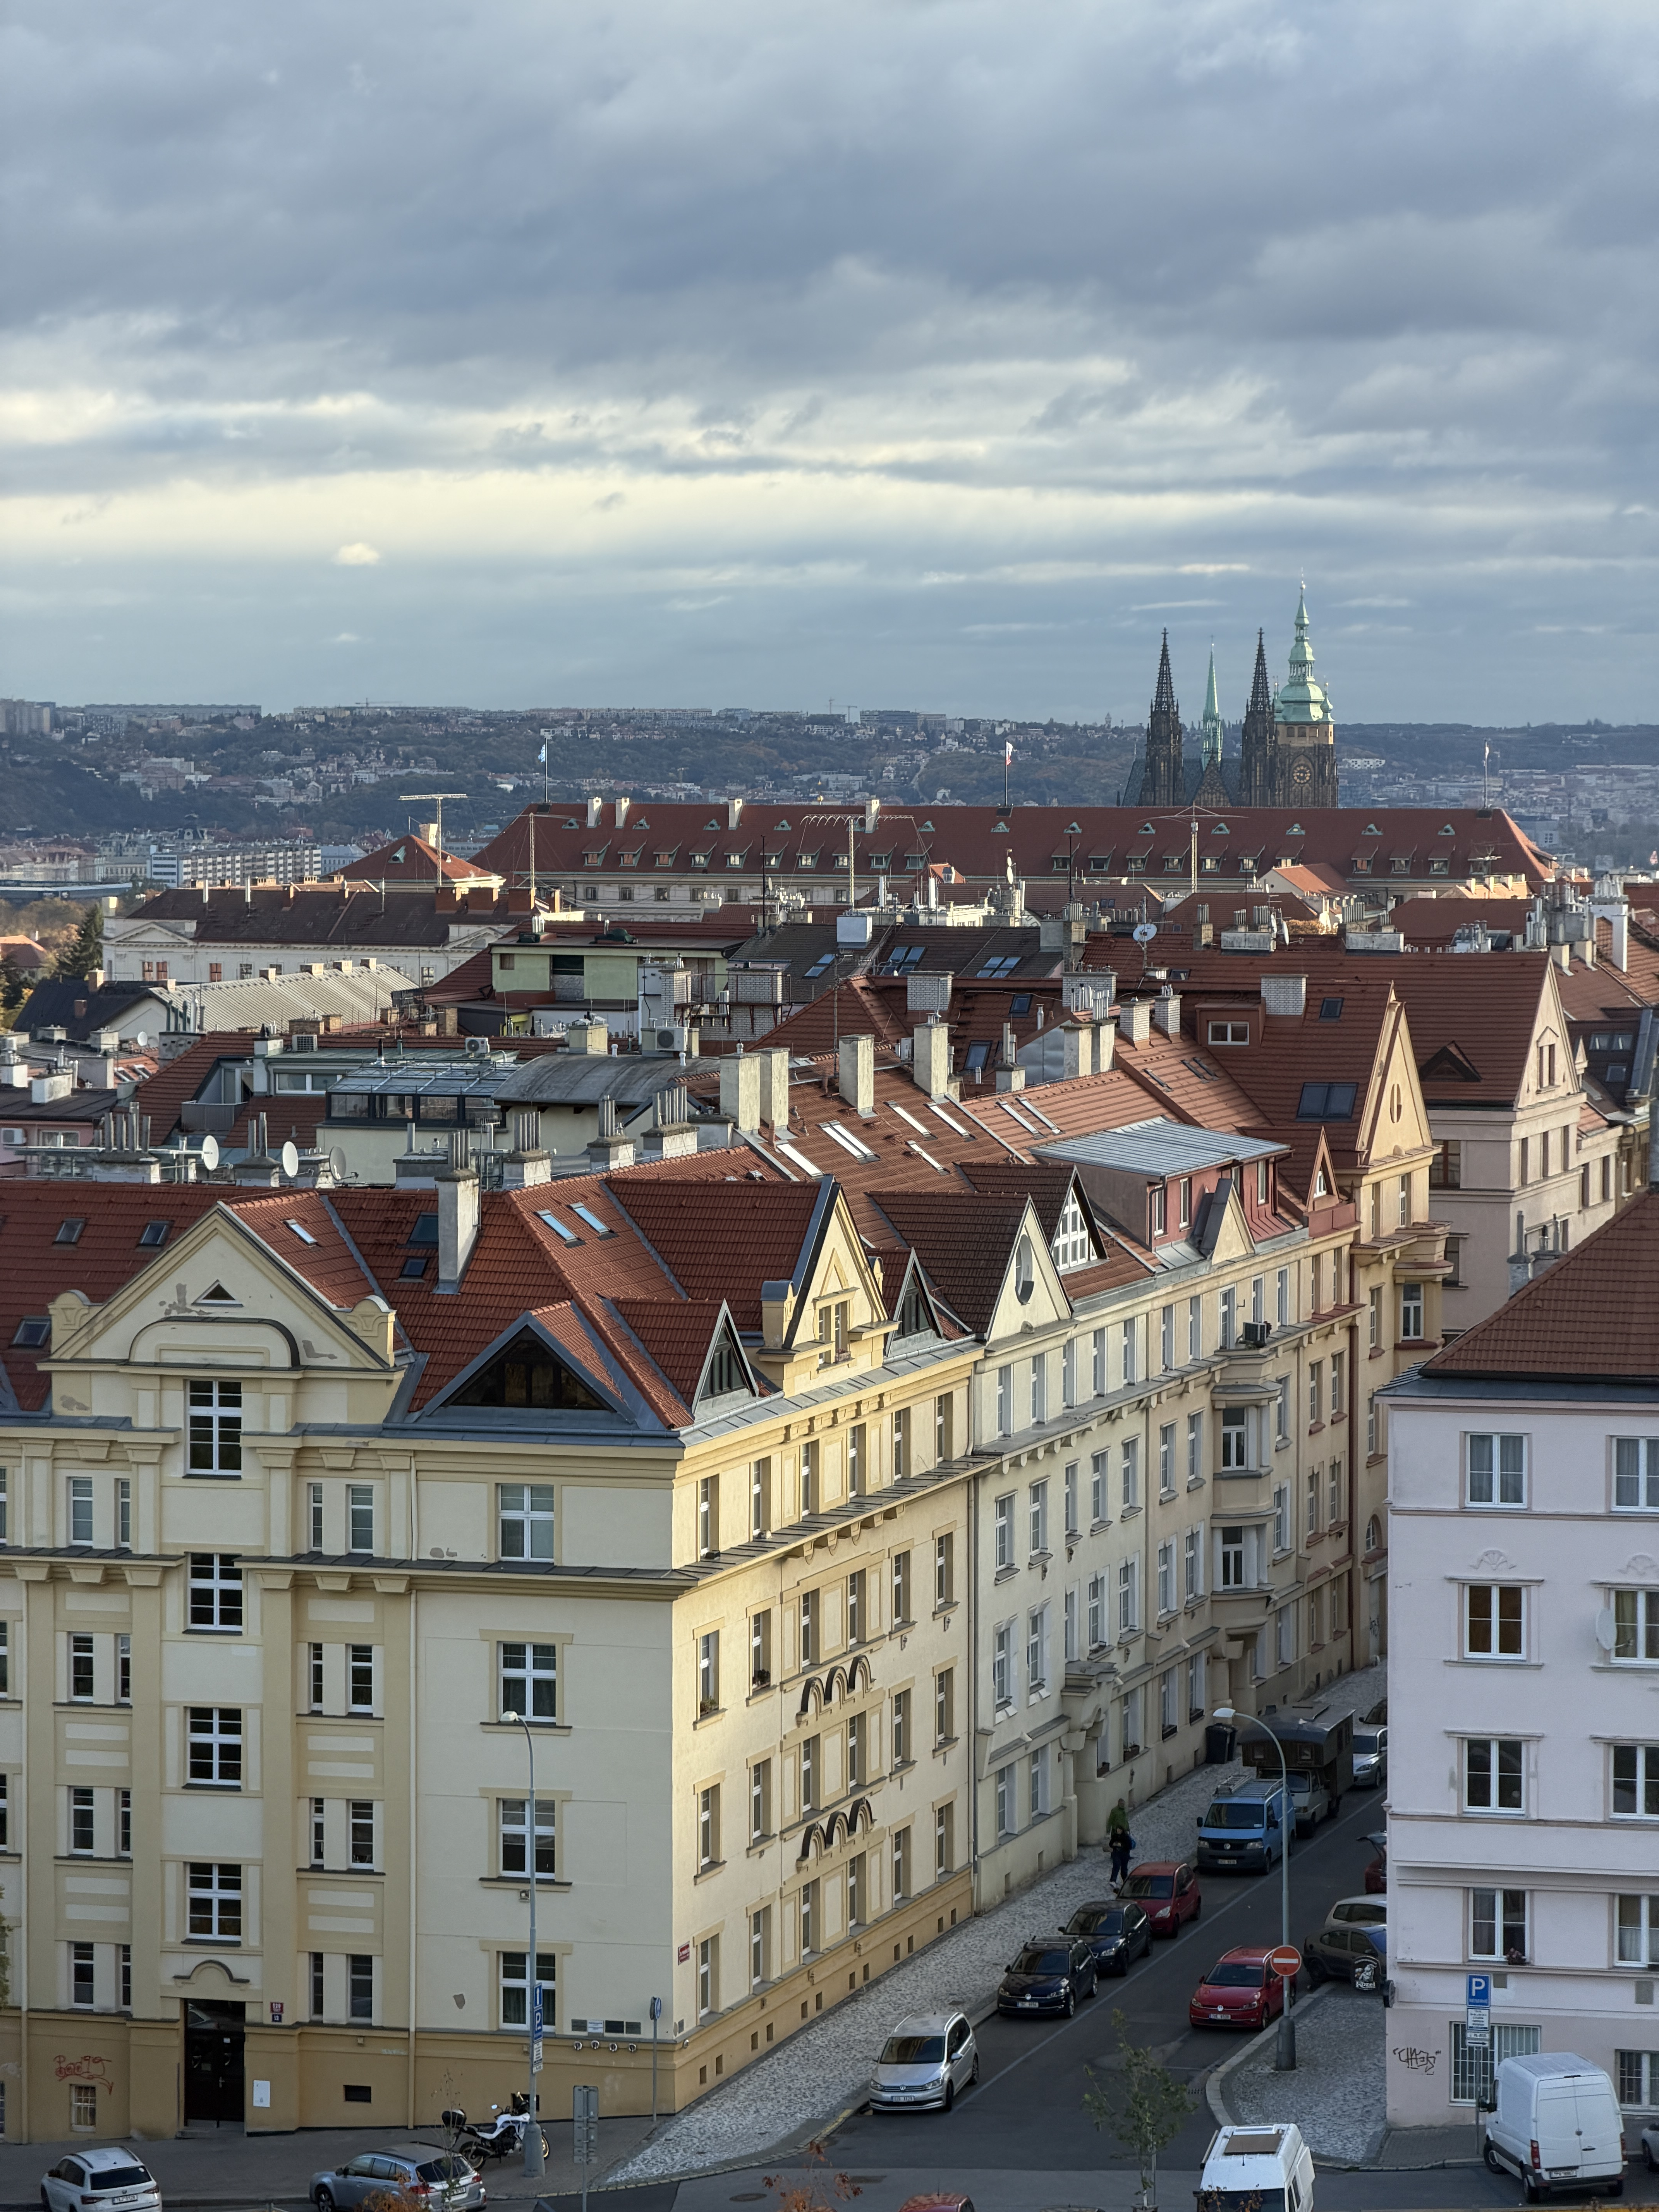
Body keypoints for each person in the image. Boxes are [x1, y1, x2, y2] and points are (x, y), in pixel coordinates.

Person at [1106, 1800, 1133, 1889]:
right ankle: (1113, 1880)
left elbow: (1126, 1821)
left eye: (1123, 1804)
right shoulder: (1115, 1811)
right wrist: (1108, 1830)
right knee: (1117, 1866)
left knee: (1124, 1869)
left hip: (1125, 1852)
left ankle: (1125, 1881)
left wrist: (1128, 1829)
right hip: (1117, 1851)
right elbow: (1110, 1820)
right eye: (1121, 1804)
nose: (1123, 1805)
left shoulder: (1125, 1811)